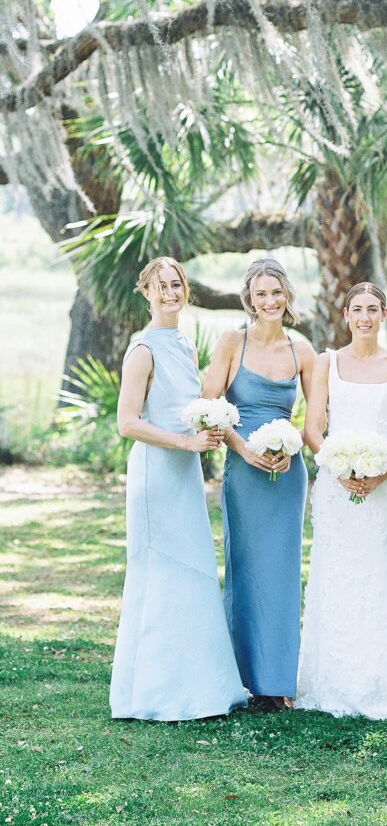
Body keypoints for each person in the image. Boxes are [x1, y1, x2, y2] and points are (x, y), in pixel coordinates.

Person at [295, 282, 387, 721]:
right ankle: (333, 681)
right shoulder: (327, 362)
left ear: (385, 315)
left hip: (383, 489)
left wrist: (380, 473)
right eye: (357, 309)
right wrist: (338, 467)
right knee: (334, 573)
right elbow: (312, 427)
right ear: (345, 315)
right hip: (334, 490)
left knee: (383, 572)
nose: (364, 317)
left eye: (372, 309)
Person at [111, 257, 247, 721]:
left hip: (185, 473)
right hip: (156, 474)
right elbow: (128, 423)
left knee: (192, 567)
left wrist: (209, 428)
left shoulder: (186, 347)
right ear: (145, 292)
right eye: (161, 286)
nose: (170, 293)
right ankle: (154, 692)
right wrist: (185, 441)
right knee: (160, 570)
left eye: (176, 285)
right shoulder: (143, 350)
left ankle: (198, 685)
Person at [203, 258, 315, 709]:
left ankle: (278, 683)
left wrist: (294, 451)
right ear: (249, 299)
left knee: (284, 574)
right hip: (242, 472)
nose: (269, 301)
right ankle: (244, 678)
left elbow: (314, 419)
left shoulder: (302, 351)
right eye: (261, 294)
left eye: (277, 293)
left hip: (288, 476)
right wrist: (242, 448)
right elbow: (210, 405)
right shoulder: (233, 342)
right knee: (245, 569)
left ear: (287, 296)